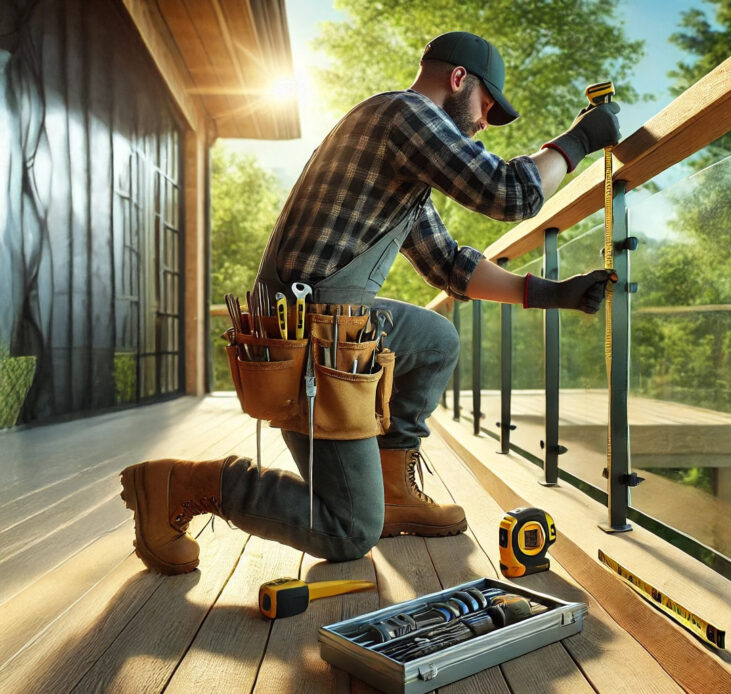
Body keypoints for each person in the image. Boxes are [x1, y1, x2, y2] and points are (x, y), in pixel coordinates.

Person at [119, 31, 620, 574]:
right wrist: (579, 140)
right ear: (458, 79)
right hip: (306, 337)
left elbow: (446, 263)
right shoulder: (404, 115)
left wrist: (546, 292)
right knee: (348, 530)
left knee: (435, 338)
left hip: (332, 323)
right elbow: (509, 192)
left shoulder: (399, 149)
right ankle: (182, 484)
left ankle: (393, 491)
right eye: (486, 106)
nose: (482, 122)